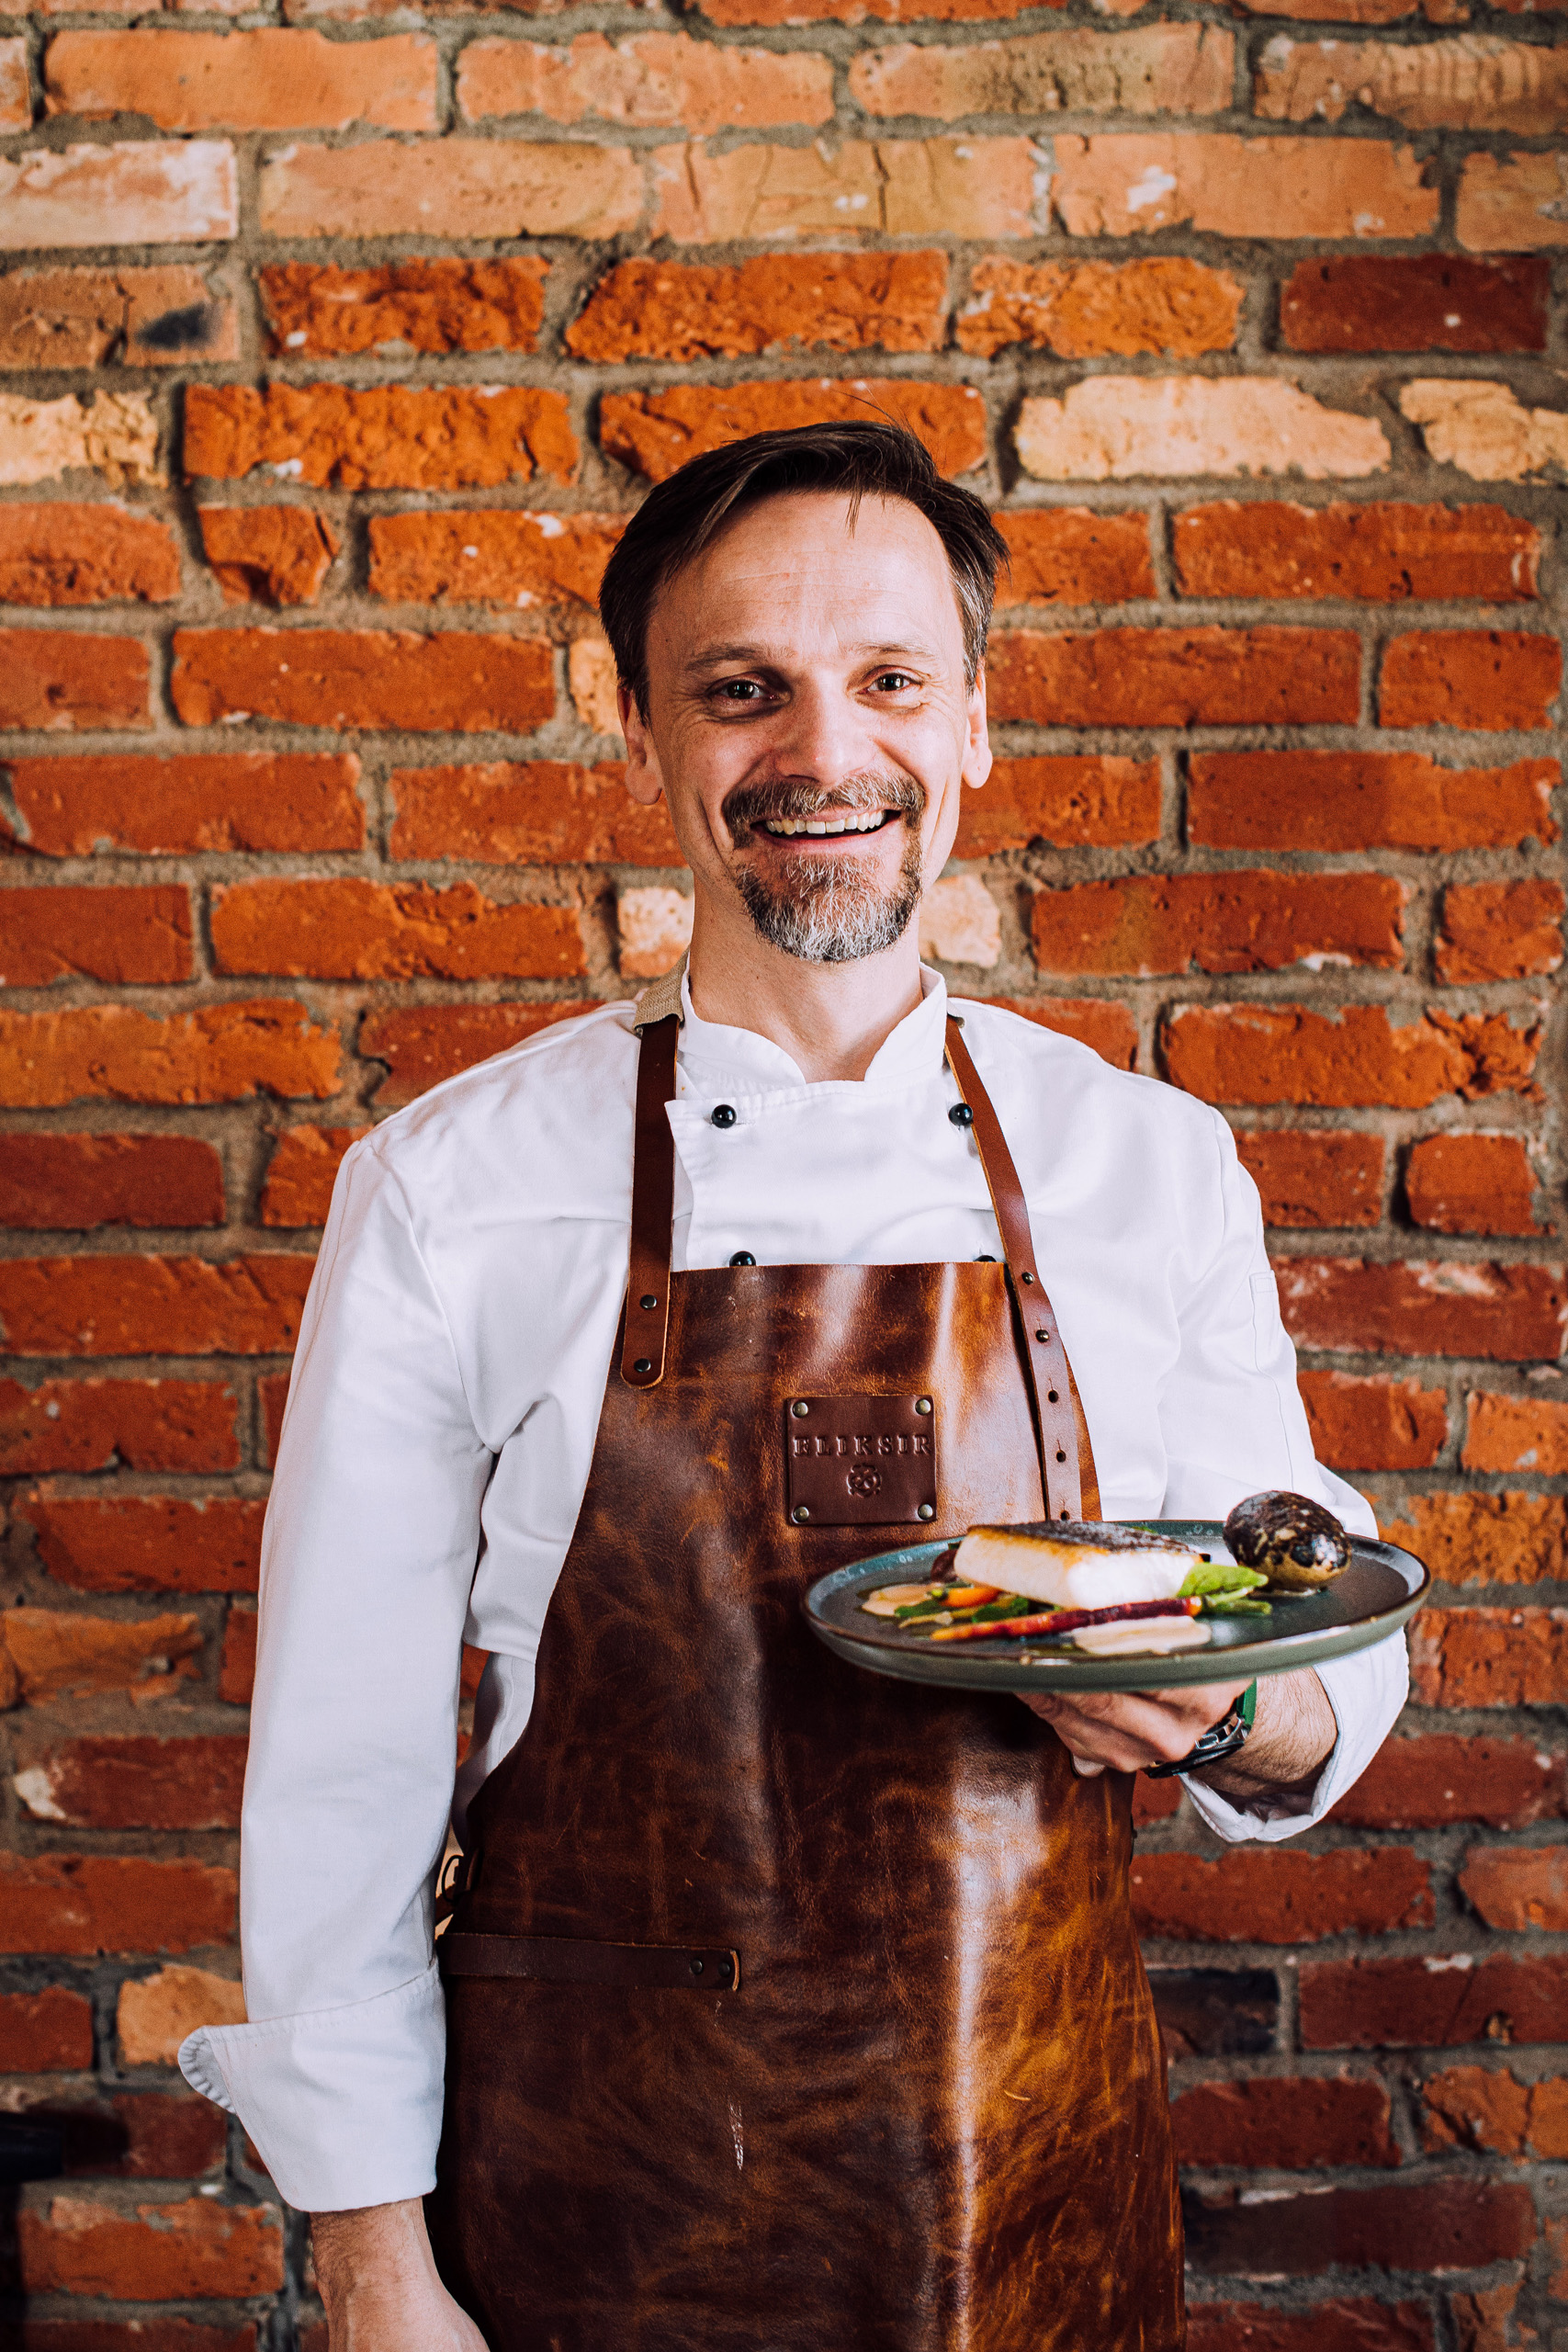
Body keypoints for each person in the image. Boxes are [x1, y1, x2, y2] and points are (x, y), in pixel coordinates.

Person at [180, 423, 1408, 2352]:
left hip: (1035, 2173)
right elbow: (342, 1765)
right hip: (604, 2194)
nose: (824, 752)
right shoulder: (451, 1186)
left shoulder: (1146, 1164)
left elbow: (1305, 1626)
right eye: (741, 691)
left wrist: (1236, 1710)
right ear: (641, 736)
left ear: (975, 723)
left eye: (889, 680)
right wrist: (369, 2259)